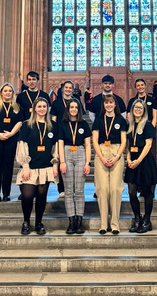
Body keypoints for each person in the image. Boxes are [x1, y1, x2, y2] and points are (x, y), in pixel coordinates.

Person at [16, 98, 58, 235]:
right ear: (34, 108)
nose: (41, 109)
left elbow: (56, 146)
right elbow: (22, 146)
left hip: (45, 167)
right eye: (39, 106)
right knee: (27, 195)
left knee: (41, 196)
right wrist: (25, 166)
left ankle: (39, 222)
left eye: (44, 106)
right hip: (31, 166)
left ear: (47, 108)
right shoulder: (27, 125)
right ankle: (26, 221)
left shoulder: (52, 126)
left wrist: (55, 164)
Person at [92, 95, 127, 234]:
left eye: (111, 102)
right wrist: (100, 156)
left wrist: (117, 156)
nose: (109, 105)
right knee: (102, 189)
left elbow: (124, 141)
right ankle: (103, 224)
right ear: (103, 105)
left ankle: (115, 224)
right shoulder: (99, 120)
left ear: (115, 104)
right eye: (106, 103)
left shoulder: (120, 120)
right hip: (101, 152)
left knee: (115, 189)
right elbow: (94, 140)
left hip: (116, 152)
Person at [124, 99, 157, 233]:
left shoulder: (148, 125)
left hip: (144, 161)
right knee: (132, 192)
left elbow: (148, 145)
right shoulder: (130, 125)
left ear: (144, 110)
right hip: (132, 161)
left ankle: (147, 220)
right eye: (136, 107)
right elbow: (127, 144)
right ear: (132, 109)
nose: (138, 110)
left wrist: (138, 160)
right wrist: (128, 159)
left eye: (140, 108)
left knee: (147, 192)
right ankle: (137, 218)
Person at [16, 71, 51, 200]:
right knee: (25, 157)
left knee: (40, 159)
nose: (31, 81)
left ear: (38, 80)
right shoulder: (21, 97)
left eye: (34, 79)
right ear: (26, 81)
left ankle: (39, 188)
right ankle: (24, 187)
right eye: (29, 79)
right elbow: (19, 113)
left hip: (41, 130)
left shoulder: (44, 95)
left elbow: (48, 111)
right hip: (27, 129)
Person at [58, 98, 92, 234]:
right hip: (66, 153)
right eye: (71, 107)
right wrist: (62, 161)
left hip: (80, 154)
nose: (73, 109)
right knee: (68, 191)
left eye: (76, 107)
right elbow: (60, 143)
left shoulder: (83, 124)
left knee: (79, 191)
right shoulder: (62, 124)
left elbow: (88, 144)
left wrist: (88, 162)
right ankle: (71, 221)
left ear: (79, 109)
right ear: (68, 109)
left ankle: (79, 221)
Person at [51, 81, 85, 198]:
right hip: (61, 134)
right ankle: (61, 189)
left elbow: (81, 116)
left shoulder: (77, 102)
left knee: (74, 165)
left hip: (74, 135)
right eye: (66, 87)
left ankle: (74, 188)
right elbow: (54, 120)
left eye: (70, 88)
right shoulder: (56, 103)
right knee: (61, 161)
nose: (68, 89)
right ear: (62, 89)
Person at [127, 78, 157, 161]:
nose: (140, 87)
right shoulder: (132, 101)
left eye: (142, 85)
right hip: (135, 130)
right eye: (138, 85)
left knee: (150, 154)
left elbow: (155, 116)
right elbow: (129, 115)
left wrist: (151, 128)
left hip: (148, 130)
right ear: (135, 87)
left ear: (145, 86)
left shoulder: (151, 100)